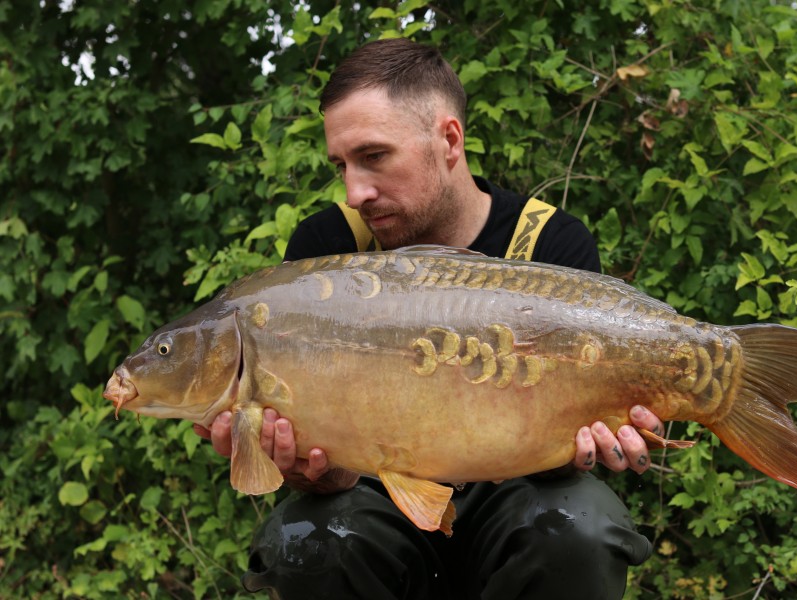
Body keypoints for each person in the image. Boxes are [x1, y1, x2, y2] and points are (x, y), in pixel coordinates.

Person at [195, 38, 666, 599]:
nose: (355, 191)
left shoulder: (551, 242)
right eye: (341, 165)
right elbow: (333, 479)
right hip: (377, 501)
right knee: (307, 539)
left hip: (514, 494)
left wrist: (597, 436)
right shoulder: (326, 251)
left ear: (449, 139)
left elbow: (564, 465)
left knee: (579, 525)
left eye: (374, 157)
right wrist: (307, 466)